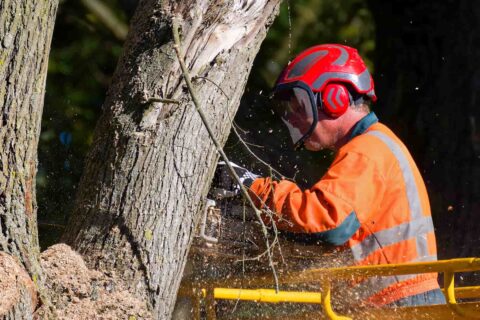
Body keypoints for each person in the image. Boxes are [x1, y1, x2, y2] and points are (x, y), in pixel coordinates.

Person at [219, 44, 445, 307]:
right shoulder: (373, 146)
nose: (295, 119)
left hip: (401, 302)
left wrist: (252, 187)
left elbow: (329, 222)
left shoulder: (367, 150)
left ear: (334, 98)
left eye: (300, 107)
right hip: (396, 299)